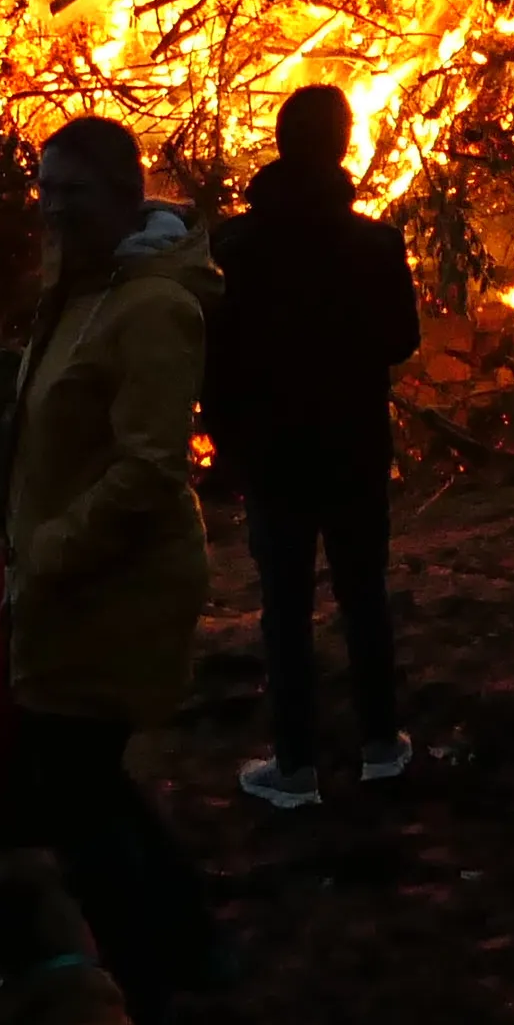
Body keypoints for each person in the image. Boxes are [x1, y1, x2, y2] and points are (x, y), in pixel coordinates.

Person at [0, 117, 227, 1004]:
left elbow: (150, 466)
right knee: (84, 786)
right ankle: (176, 960)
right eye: (46, 191)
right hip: (60, 575)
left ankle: (161, 979)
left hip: (117, 583)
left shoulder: (153, 307)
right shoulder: (80, 290)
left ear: (129, 199)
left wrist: (53, 547)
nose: (54, 211)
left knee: (76, 787)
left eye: (75, 193)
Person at [205, 84, 424, 811]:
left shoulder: (232, 245)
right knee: (365, 596)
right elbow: (401, 340)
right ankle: (381, 746)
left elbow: (213, 350)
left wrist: (228, 431)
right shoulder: (374, 243)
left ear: (279, 141)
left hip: (273, 452)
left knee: (285, 606)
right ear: (342, 146)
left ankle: (295, 766)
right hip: (354, 445)